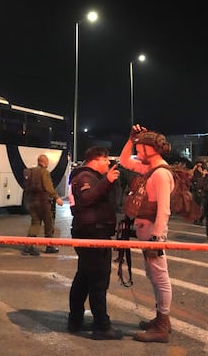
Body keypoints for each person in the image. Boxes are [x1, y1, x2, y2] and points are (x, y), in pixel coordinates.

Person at [119, 124, 174, 343]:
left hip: (153, 232)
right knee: (154, 276)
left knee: (160, 277)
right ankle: (162, 319)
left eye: (141, 148)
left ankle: (162, 324)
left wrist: (156, 239)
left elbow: (164, 209)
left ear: (152, 149)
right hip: (148, 232)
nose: (138, 152)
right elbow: (124, 161)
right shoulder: (151, 169)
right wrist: (131, 140)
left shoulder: (160, 173)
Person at [67, 146, 123, 340]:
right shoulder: (85, 177)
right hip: (92, 233)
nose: (108, 163)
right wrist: (107, 182)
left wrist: (109, 183)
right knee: (98, 280)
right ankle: (101, 325)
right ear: (96, 159)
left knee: (84, 278)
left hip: (92, 232)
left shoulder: (89, 177)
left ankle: (75, 319)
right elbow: (86, 198)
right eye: (106, 160)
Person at [22, 154, 64, 256]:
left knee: (35, 223)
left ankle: (29, 246)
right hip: (43, 203)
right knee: (49, 224)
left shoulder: (30, 171)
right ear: (45, 162)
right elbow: (48, 187)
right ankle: (49, 246)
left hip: (31, 202)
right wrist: (57, 197)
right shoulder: (44, 172)